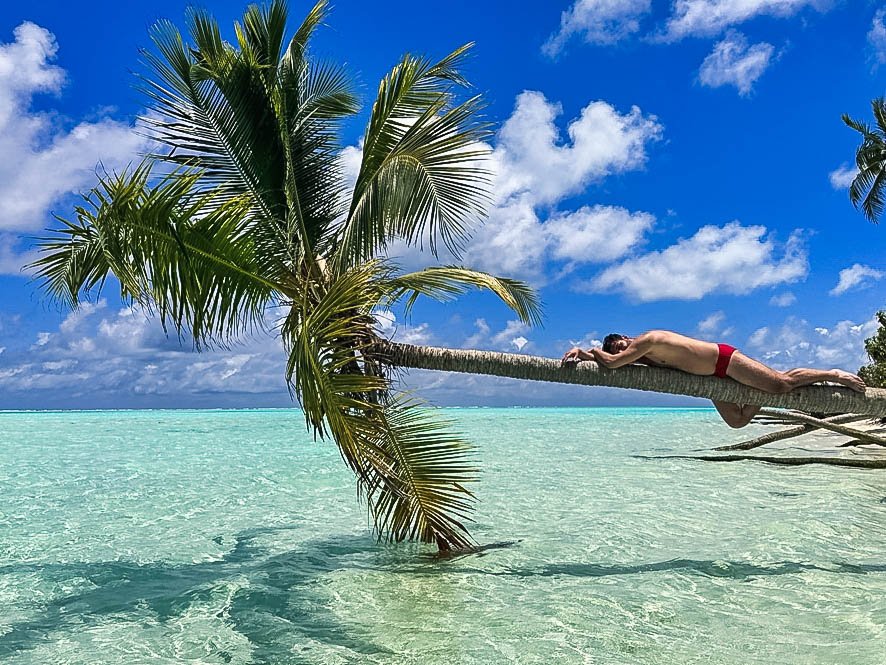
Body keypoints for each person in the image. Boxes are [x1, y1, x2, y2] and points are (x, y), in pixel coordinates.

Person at [561, 330, 866, 428]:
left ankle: (833, 374)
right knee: (737, 421)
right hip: (710, 380)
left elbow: (612, 364)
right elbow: (615, 363)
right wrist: (583, 355)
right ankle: (754, 393)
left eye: (620, 345)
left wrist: (588, 350)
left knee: (781, 384)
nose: (621, 350)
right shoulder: (640, 356)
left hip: (724, 360)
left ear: (627, 338)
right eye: (616, 349)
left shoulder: (646, 341)